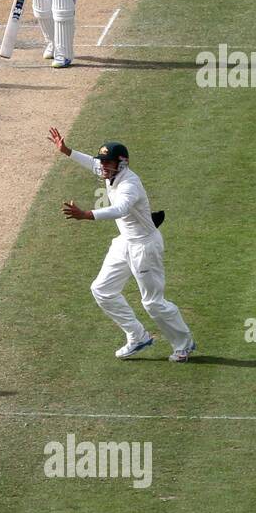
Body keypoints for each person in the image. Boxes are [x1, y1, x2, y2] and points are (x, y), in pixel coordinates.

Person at [47, 128, 196, 362]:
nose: (102, 168)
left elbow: (120, 209)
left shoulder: (130, 184)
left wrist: (87, 214)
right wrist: (67, 151)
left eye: (107, 164)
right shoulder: (111, 172)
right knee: (102, 290)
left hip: (144, 247)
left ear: (122, 164)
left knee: (152, 302)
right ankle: (137, 336)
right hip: (124, 242)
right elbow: (92, 163)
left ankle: (184, 344)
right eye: (102, 163)